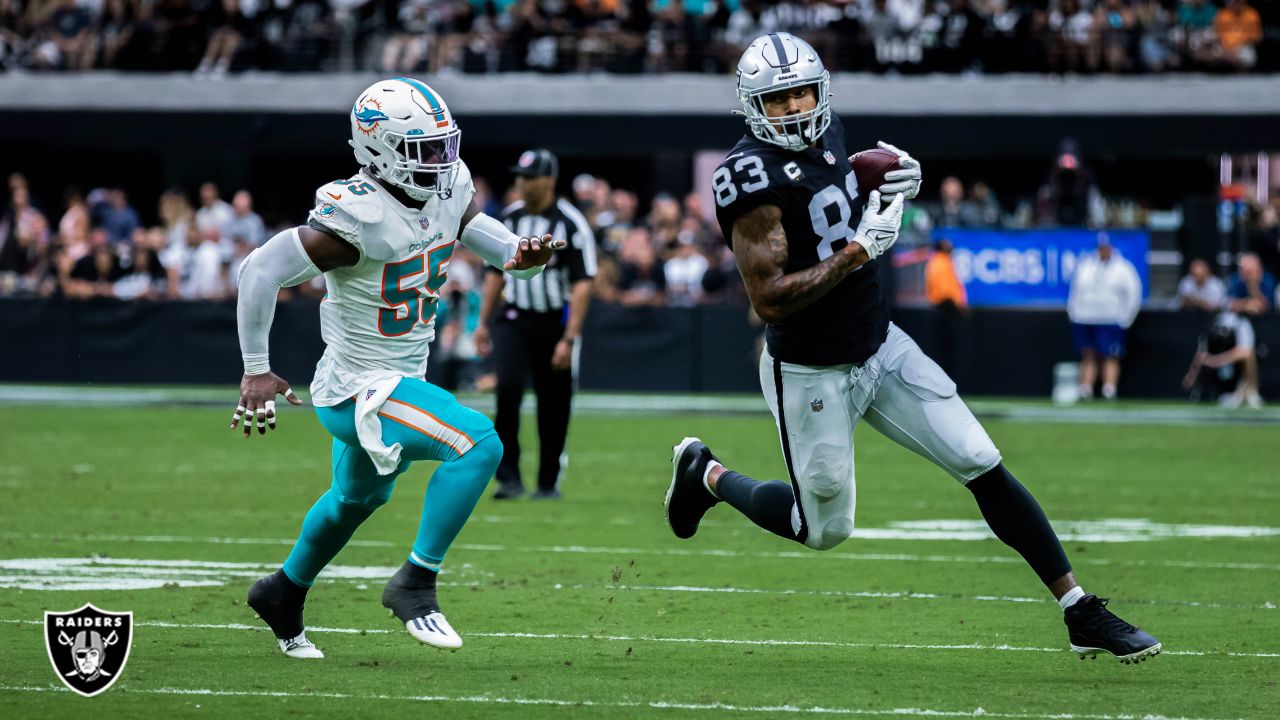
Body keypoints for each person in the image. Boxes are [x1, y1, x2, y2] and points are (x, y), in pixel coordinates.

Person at [665, 32, 1160, 664]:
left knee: (980, 458)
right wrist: (859, 250)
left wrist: (889, 182)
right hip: (811, 369)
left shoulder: (832, 131)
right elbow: (770, 299)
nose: (794, 108)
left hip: (880, 343)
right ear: (752, 105)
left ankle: (1079, 608)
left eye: (801, 93)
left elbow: (846, 191)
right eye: (778, 99)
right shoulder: (747, 177)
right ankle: (706, 474)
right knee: (822, 530)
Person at [234, 78, 563, 660]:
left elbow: (481, 237)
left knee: (356, 498)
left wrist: (519, 255)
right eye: (423, 149)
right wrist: (256, 368)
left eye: (444, 145)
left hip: (400, 377)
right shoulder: (355, 215)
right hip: (359, 384)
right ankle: (416, 581)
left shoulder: (448, 187)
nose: (441, 161)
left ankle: (282, 590)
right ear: (379, 150)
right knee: (479, 443)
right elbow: (260, 271)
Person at [473, 149, 598, 500]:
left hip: (555, 321)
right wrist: (482, 323)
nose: (521, 183)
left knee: (553, 402)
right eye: (519, 177)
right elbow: (495, 274)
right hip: (514, 318)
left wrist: (570, 338)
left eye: (529, 177)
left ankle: (547, 482)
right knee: (507, 391)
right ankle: (508, 478)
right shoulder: (508, 220)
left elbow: (584, 282)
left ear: (549, 180)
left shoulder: (571, 223)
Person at [1066, 235, 1143, 400]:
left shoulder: (1123, 268)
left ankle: (1109, 389)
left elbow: (1134, 294)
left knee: (1110, 355)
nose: (1103, 251)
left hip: (1110, 319)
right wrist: (1074, 312)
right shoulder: (1086, 265)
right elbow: (1075, 291)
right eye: (1100, 247)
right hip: (1085, 317)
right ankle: (1085, 388)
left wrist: (1125, 318)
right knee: (1088, 354)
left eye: (1106, 247)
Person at [1183, 310, 1262, 408]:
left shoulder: (1241, 323)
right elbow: (1201, 354)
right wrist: (1192, 375)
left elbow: (1246, 352)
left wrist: (1217, 361)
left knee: (1250, 358)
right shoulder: (1211, 325)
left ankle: (1249, 392)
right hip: (1220, 378)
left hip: (1235, 373)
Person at [923, 237, 968, 377]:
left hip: (946, 308)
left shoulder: (943, 262)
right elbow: (946, 291)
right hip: (946, 308)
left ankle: (946, 378)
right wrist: (958, 305)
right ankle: (945, 378)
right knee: (945, 348)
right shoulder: (939, 262)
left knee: (946, 348)